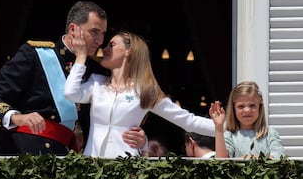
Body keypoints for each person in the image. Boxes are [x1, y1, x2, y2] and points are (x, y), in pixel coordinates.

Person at [0, 1, 147, 156]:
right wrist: (18, 118)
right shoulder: (35, 55)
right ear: (73, 29)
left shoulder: (95, 70)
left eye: (103, 34)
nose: (100, 41)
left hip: (66, 158)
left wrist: (140, 140)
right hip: (23, 154)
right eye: (94, 32)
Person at [64, 30, 215, 158]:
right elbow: (70, 93)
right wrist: (81, 58)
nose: (104, 49)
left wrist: (229, 128)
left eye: (112, 45)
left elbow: (188, 121)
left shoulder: (144, 91)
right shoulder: (96, 83)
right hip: (92, 167)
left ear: (129, 52)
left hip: (126, 171)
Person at [209, 81, 285, 159]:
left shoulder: (270, 134)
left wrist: (248, 158)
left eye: (252, 105)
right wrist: (218, 127)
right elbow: (222, 161)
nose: (247, 110)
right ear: (233, 109)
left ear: (260, 107)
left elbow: (279, 156)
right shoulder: (230, 136)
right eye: (241, 106)